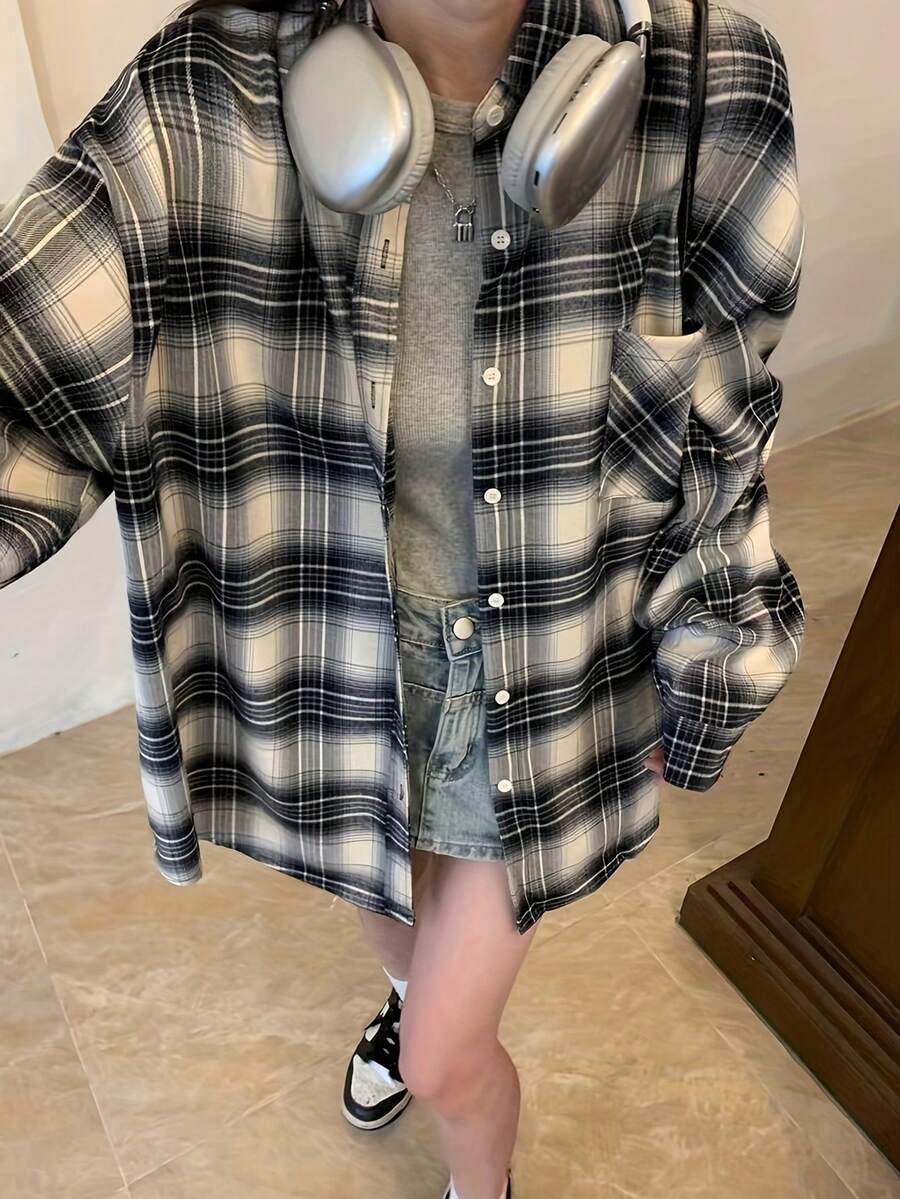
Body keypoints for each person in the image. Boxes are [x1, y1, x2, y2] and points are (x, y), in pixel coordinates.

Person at [0, 2, 805, 1197]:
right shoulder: (206, 90)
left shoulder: (709, 80)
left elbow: (728, 419)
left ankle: (482, 1182)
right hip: (339, 657)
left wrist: (713, 663)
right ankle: (401, 991)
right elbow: (24, 364)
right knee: (388, 912)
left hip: (547, 674)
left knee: (443, 1056)